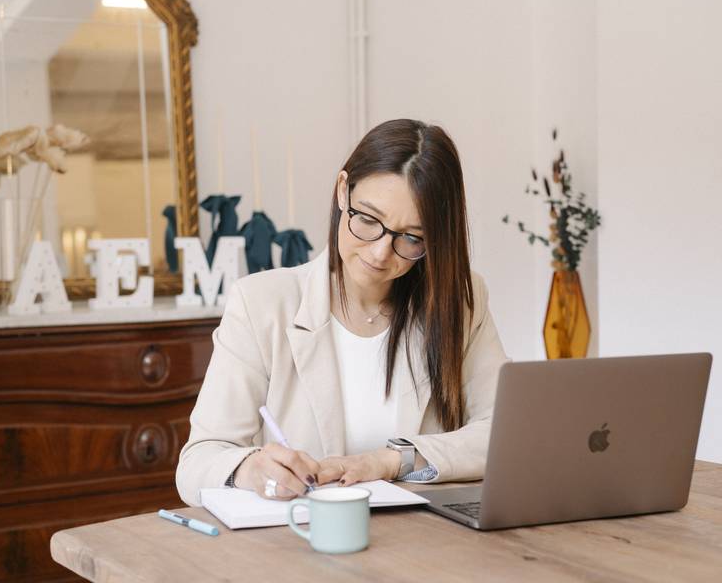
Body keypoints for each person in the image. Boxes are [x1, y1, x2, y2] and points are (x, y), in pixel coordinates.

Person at [175, 119, 508, 507]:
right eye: (368, 220)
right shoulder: (262, 303)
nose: (381, 253)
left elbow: (503, 432)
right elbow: (196, 462)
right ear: (341, 191)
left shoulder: (461, 301)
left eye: (412, 238)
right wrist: (250, 469)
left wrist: (389, 461)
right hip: (304, 545)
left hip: (428, 544)